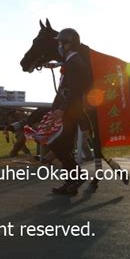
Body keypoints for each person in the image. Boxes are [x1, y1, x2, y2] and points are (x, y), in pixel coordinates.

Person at [48, 28, 93, 195]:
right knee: (64, 146)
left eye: (61, 43)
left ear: (69, 44)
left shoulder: (76, 62)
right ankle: (70, 183)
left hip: (70, 112)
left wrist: (62, 109)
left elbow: (75, 90)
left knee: (55, 143)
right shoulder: (72, 61)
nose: (59, 46)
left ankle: (77, 176)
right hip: (69, 111)